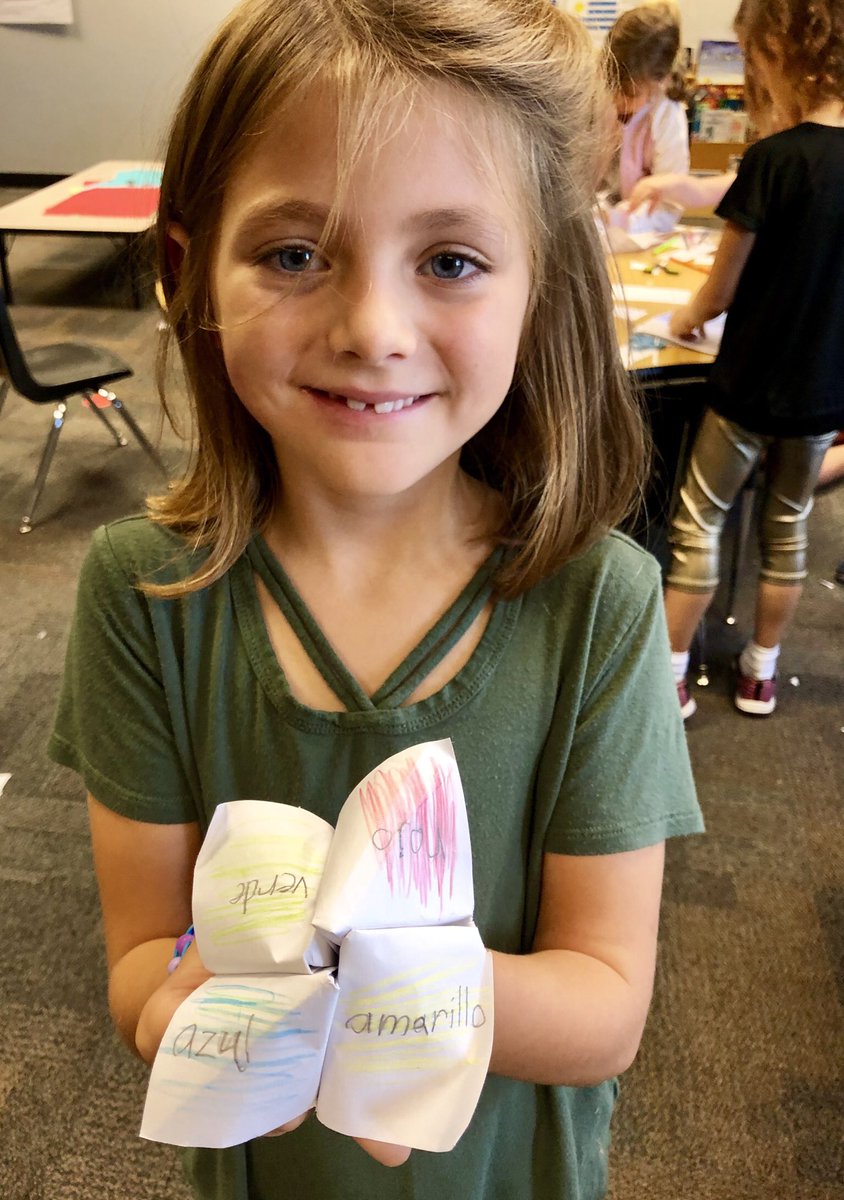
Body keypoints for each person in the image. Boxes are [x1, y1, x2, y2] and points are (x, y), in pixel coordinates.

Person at [47, 2, 703, 1199]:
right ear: (191, 274)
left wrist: (352, 989)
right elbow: (140, 961)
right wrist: (186, 1001)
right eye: (295, 254)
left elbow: (603, 1004)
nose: (373, 331)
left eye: (449, 260)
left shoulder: (597, 606)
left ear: (536, 285)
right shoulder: (144, 592)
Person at [664, 0, 844, 719]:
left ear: (780, 51)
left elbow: (720, 290)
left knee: (698, 521)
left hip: (744, 390)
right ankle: (760, 674)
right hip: (820, 398)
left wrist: (684, 316)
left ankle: (672, 678)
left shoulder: (774, 160)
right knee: (786, 526)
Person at [604, 1, 691, 200]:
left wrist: (629, 221)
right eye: (611, 82)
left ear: (659, 83)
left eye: (630, 94)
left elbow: (670, 199)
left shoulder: (667, 115)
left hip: (639, 225)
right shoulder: (593, 95)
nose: (617, 99)